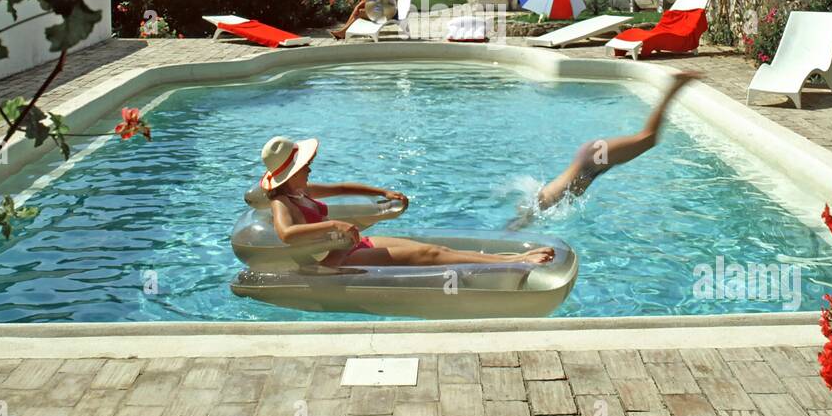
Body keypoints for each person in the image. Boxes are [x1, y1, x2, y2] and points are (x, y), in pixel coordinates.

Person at [259, 135, 555, 266]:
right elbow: (286, 233)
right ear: (289, 175)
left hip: (349, 244)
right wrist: (335, 223)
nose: (309, 168)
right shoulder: (282, 203)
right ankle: (515, 262)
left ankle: (508, 259)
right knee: (428, 255)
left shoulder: (302, 191)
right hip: (335, 258)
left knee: (437, 248)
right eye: (304, 166)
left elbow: (340, 187)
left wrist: (381, 192)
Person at [509, 70, 701, 229]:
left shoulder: (542, 205)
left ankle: (674, 88)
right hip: (590, 161)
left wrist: (515, 229)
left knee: (648, 138)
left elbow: (520, 221)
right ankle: (674, 89)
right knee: (648, 139)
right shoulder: (543, 202)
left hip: (592, 162)